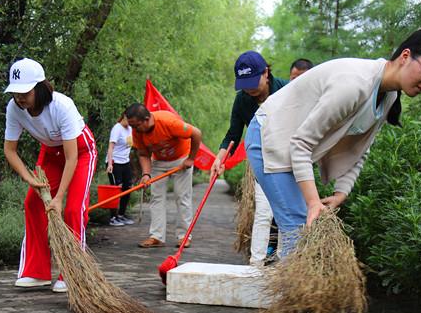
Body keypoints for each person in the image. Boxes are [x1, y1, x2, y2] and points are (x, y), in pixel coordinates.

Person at [246, 28, 421, 313]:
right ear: (405, 56)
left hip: (293, 145)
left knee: (303, 227)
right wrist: (313, 202)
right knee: (297, 228)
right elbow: (300, 143)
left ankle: (306, 310)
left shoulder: (387, 96)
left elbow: (361, 150)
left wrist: (342, 191)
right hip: (270, 138)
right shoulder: (354, 84)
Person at [3, 58, 98, 292]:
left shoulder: (61, 105)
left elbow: (72, 157)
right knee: (33, 204)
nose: (19, 98)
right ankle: (36, 272)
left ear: (40, 87)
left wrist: (58, 197)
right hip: (51, 152)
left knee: (73, 209)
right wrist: (28, 177)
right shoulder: (14, 109)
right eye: (15, 92)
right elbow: (9, 150)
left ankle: (74, 272)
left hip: (80, 151)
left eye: (25, 92)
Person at [210, 51, 304, 266]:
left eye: (253, 81)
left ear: (266, 72)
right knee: (264, 211)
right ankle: (256, 262)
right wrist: (220, 159)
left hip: (290, 160)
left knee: (287, 213)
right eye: (244, 83)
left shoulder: (286, 90)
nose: (249, 88)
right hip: (262, 162)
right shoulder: (242, 100)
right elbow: (233, 135)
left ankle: (285, 263)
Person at [125, 103, 202, 248]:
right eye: (132, 126)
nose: (134, 130)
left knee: (182, 197)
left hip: (181, 160)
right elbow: (143, 153)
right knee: (156, 197)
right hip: (159, 162)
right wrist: (146, 174)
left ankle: (184, 236)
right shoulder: (138, 132)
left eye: (136, 125)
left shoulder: (168, 122)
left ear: (147, 119)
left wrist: (191, 158)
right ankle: (157, 236)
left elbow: (196, 133)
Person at [105, 113, 134, 226]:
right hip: (115, 162)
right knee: (116, 189)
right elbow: (111, 147)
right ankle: (113, 217)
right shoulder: (117, 129)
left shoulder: (130, 128)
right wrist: (110, 164)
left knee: (128, 187)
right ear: (124, 117)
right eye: (130, 119)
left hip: (125, 161)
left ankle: (121, 214)